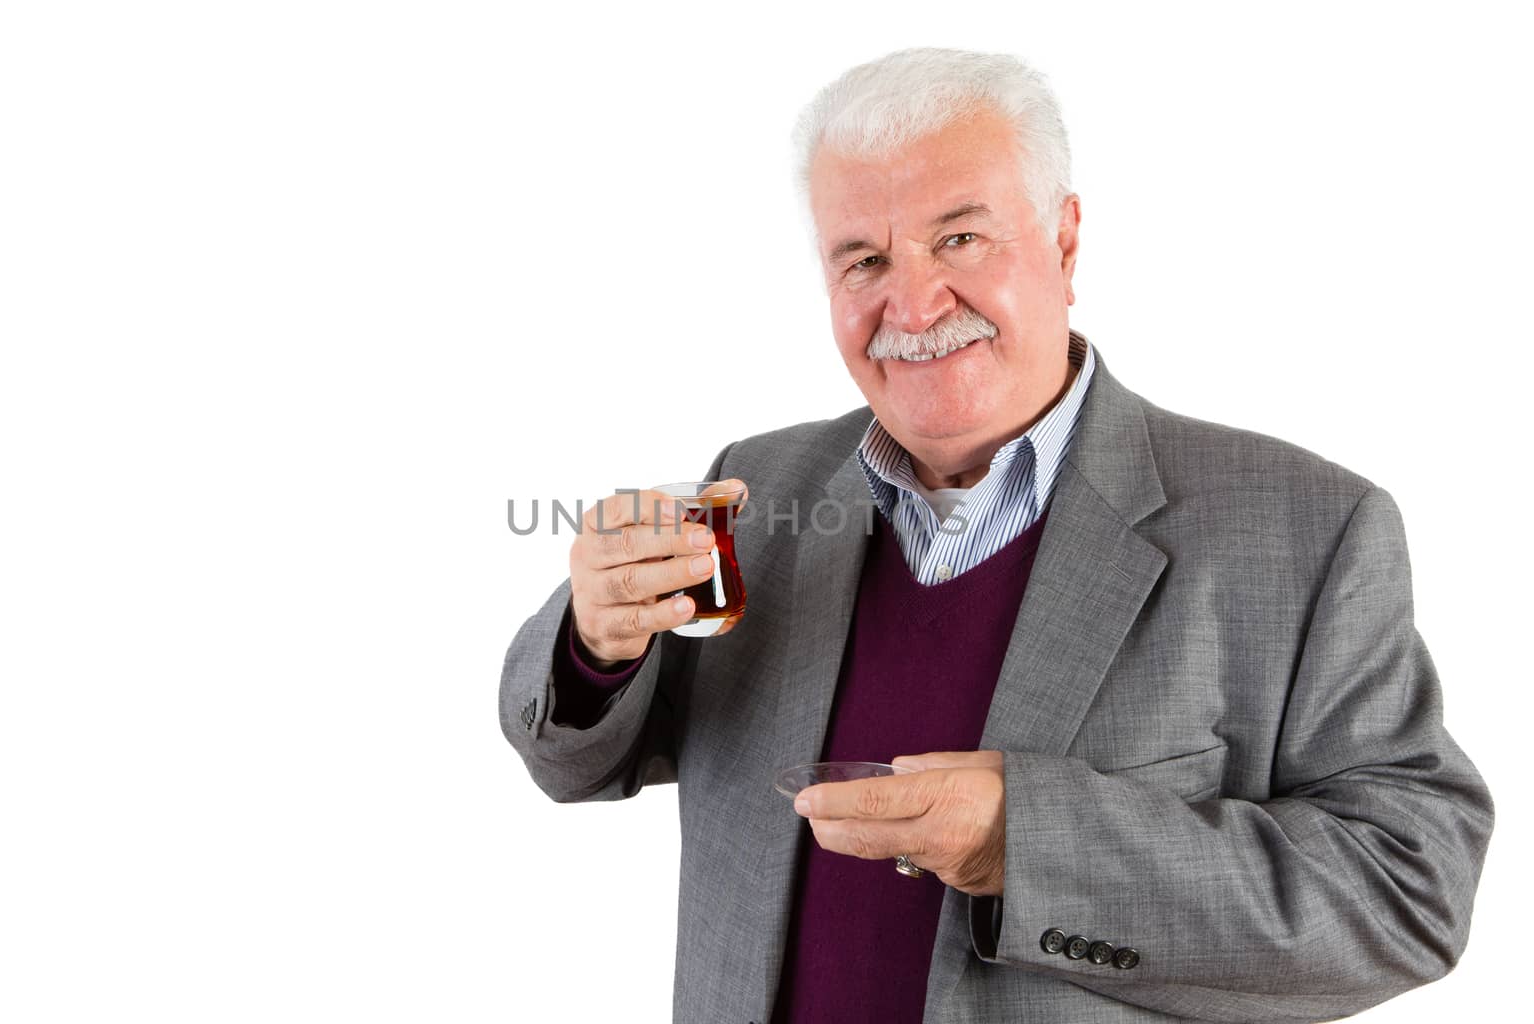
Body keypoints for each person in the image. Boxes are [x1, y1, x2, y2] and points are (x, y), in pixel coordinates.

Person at [498, 48, 1492, 1023]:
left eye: (960, 239)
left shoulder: (1304, 531)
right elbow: (574, 759)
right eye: (865, 259)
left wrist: (1028, 842)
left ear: (1063, 242)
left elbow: (1406, 896)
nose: (914, 303)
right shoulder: (762, 486)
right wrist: (596, 642)